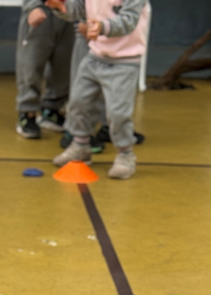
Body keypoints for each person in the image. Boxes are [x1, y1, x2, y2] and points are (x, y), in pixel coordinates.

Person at [49, 0, 150, 179]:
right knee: (79, 101)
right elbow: (77, 10)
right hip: (94, 55)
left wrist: (102, 27)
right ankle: (80, 146)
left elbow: (129, 21)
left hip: (125, 61)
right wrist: (61, 7)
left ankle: (125, 155)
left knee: (118, 112)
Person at [15, 0, 75, 139]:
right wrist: (33, 6)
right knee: (31, 63)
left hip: (69, 11)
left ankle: (52, 109)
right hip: (41, 9)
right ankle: (27, 112)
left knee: (64, 65)